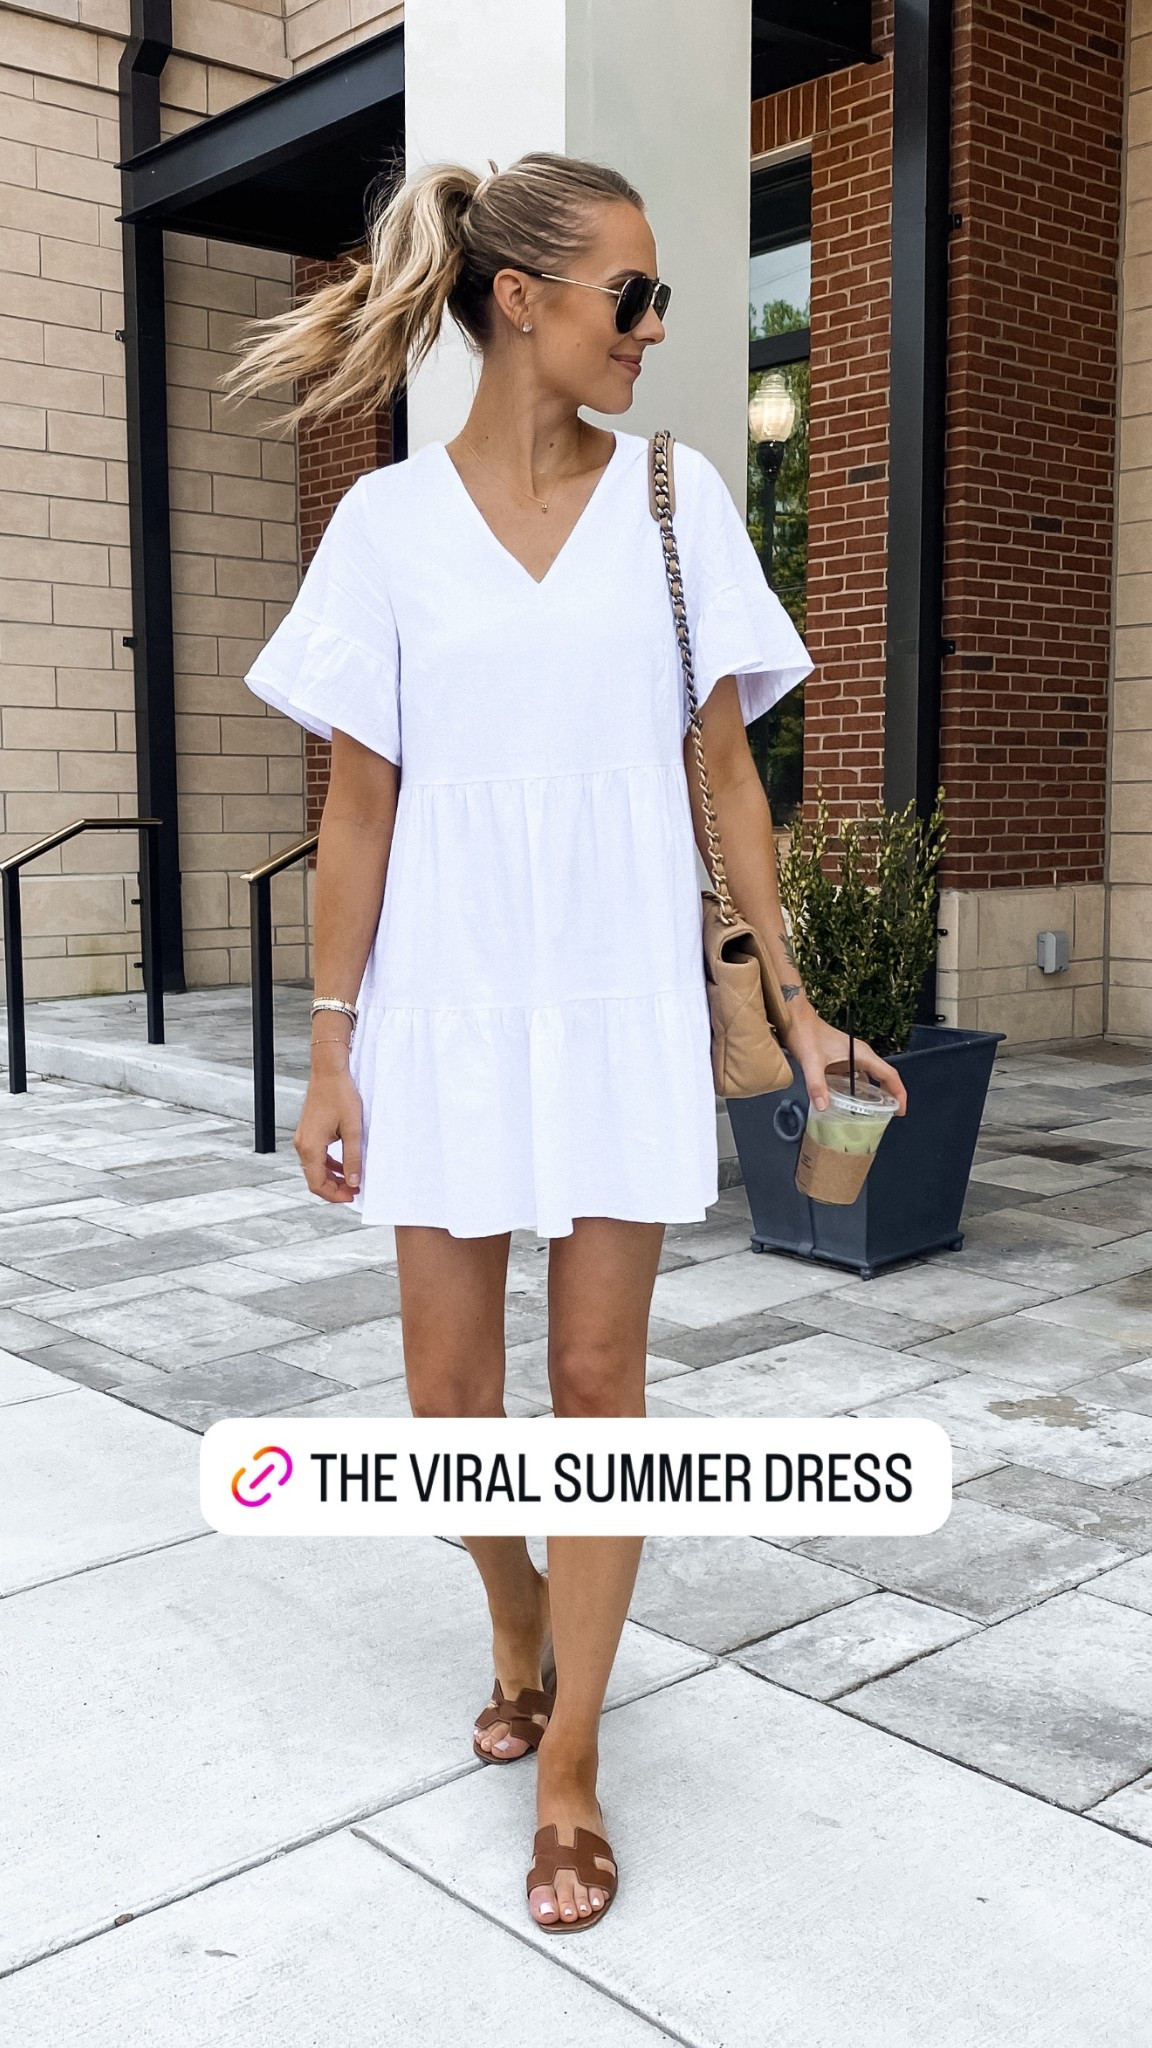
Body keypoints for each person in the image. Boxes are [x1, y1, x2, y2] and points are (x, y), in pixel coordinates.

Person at [225, 150, 906, 1933]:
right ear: (521, 300)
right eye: (634, 294)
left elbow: (726, 773)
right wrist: (330, 1046)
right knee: (450, 1409)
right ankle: (515, 1610)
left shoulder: (676, 500)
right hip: (442, 1008)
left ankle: (574, 1762)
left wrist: (797, 997)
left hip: (615, 1000)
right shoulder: (385, 529)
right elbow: (358, 812)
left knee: (600, 1395)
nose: (656, 327)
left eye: (660, 295)